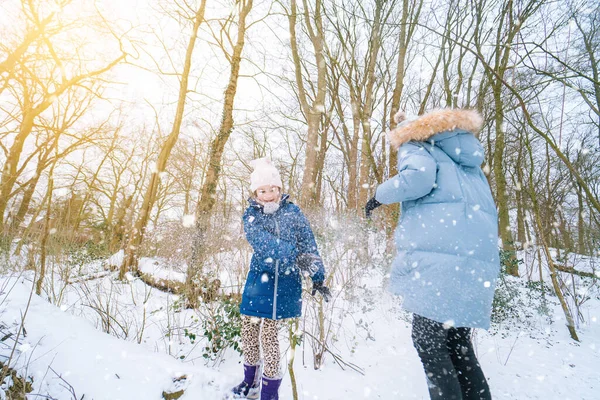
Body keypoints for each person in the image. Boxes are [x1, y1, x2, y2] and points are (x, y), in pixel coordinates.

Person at [365, 109, 500, 400]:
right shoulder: (466, 156)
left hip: (440, 263)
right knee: (457, 345)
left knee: (429, 342)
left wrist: (378, 195)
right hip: (475, 262)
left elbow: (419, 179)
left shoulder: (416, 144)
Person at [231, 158, 331, 400]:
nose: (268, 195)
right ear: (255, 192)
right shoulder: (251, 216)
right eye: (263, 190)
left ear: (280, 189)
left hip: (284, 285)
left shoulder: (293, 212)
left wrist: (318, 277)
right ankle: (249, 381)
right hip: (259, 281)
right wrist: (296, 257)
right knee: (248, 331)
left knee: (270, 337)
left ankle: (269, 392)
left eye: (272, 189)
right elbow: (263, 244)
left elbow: (308, 243)